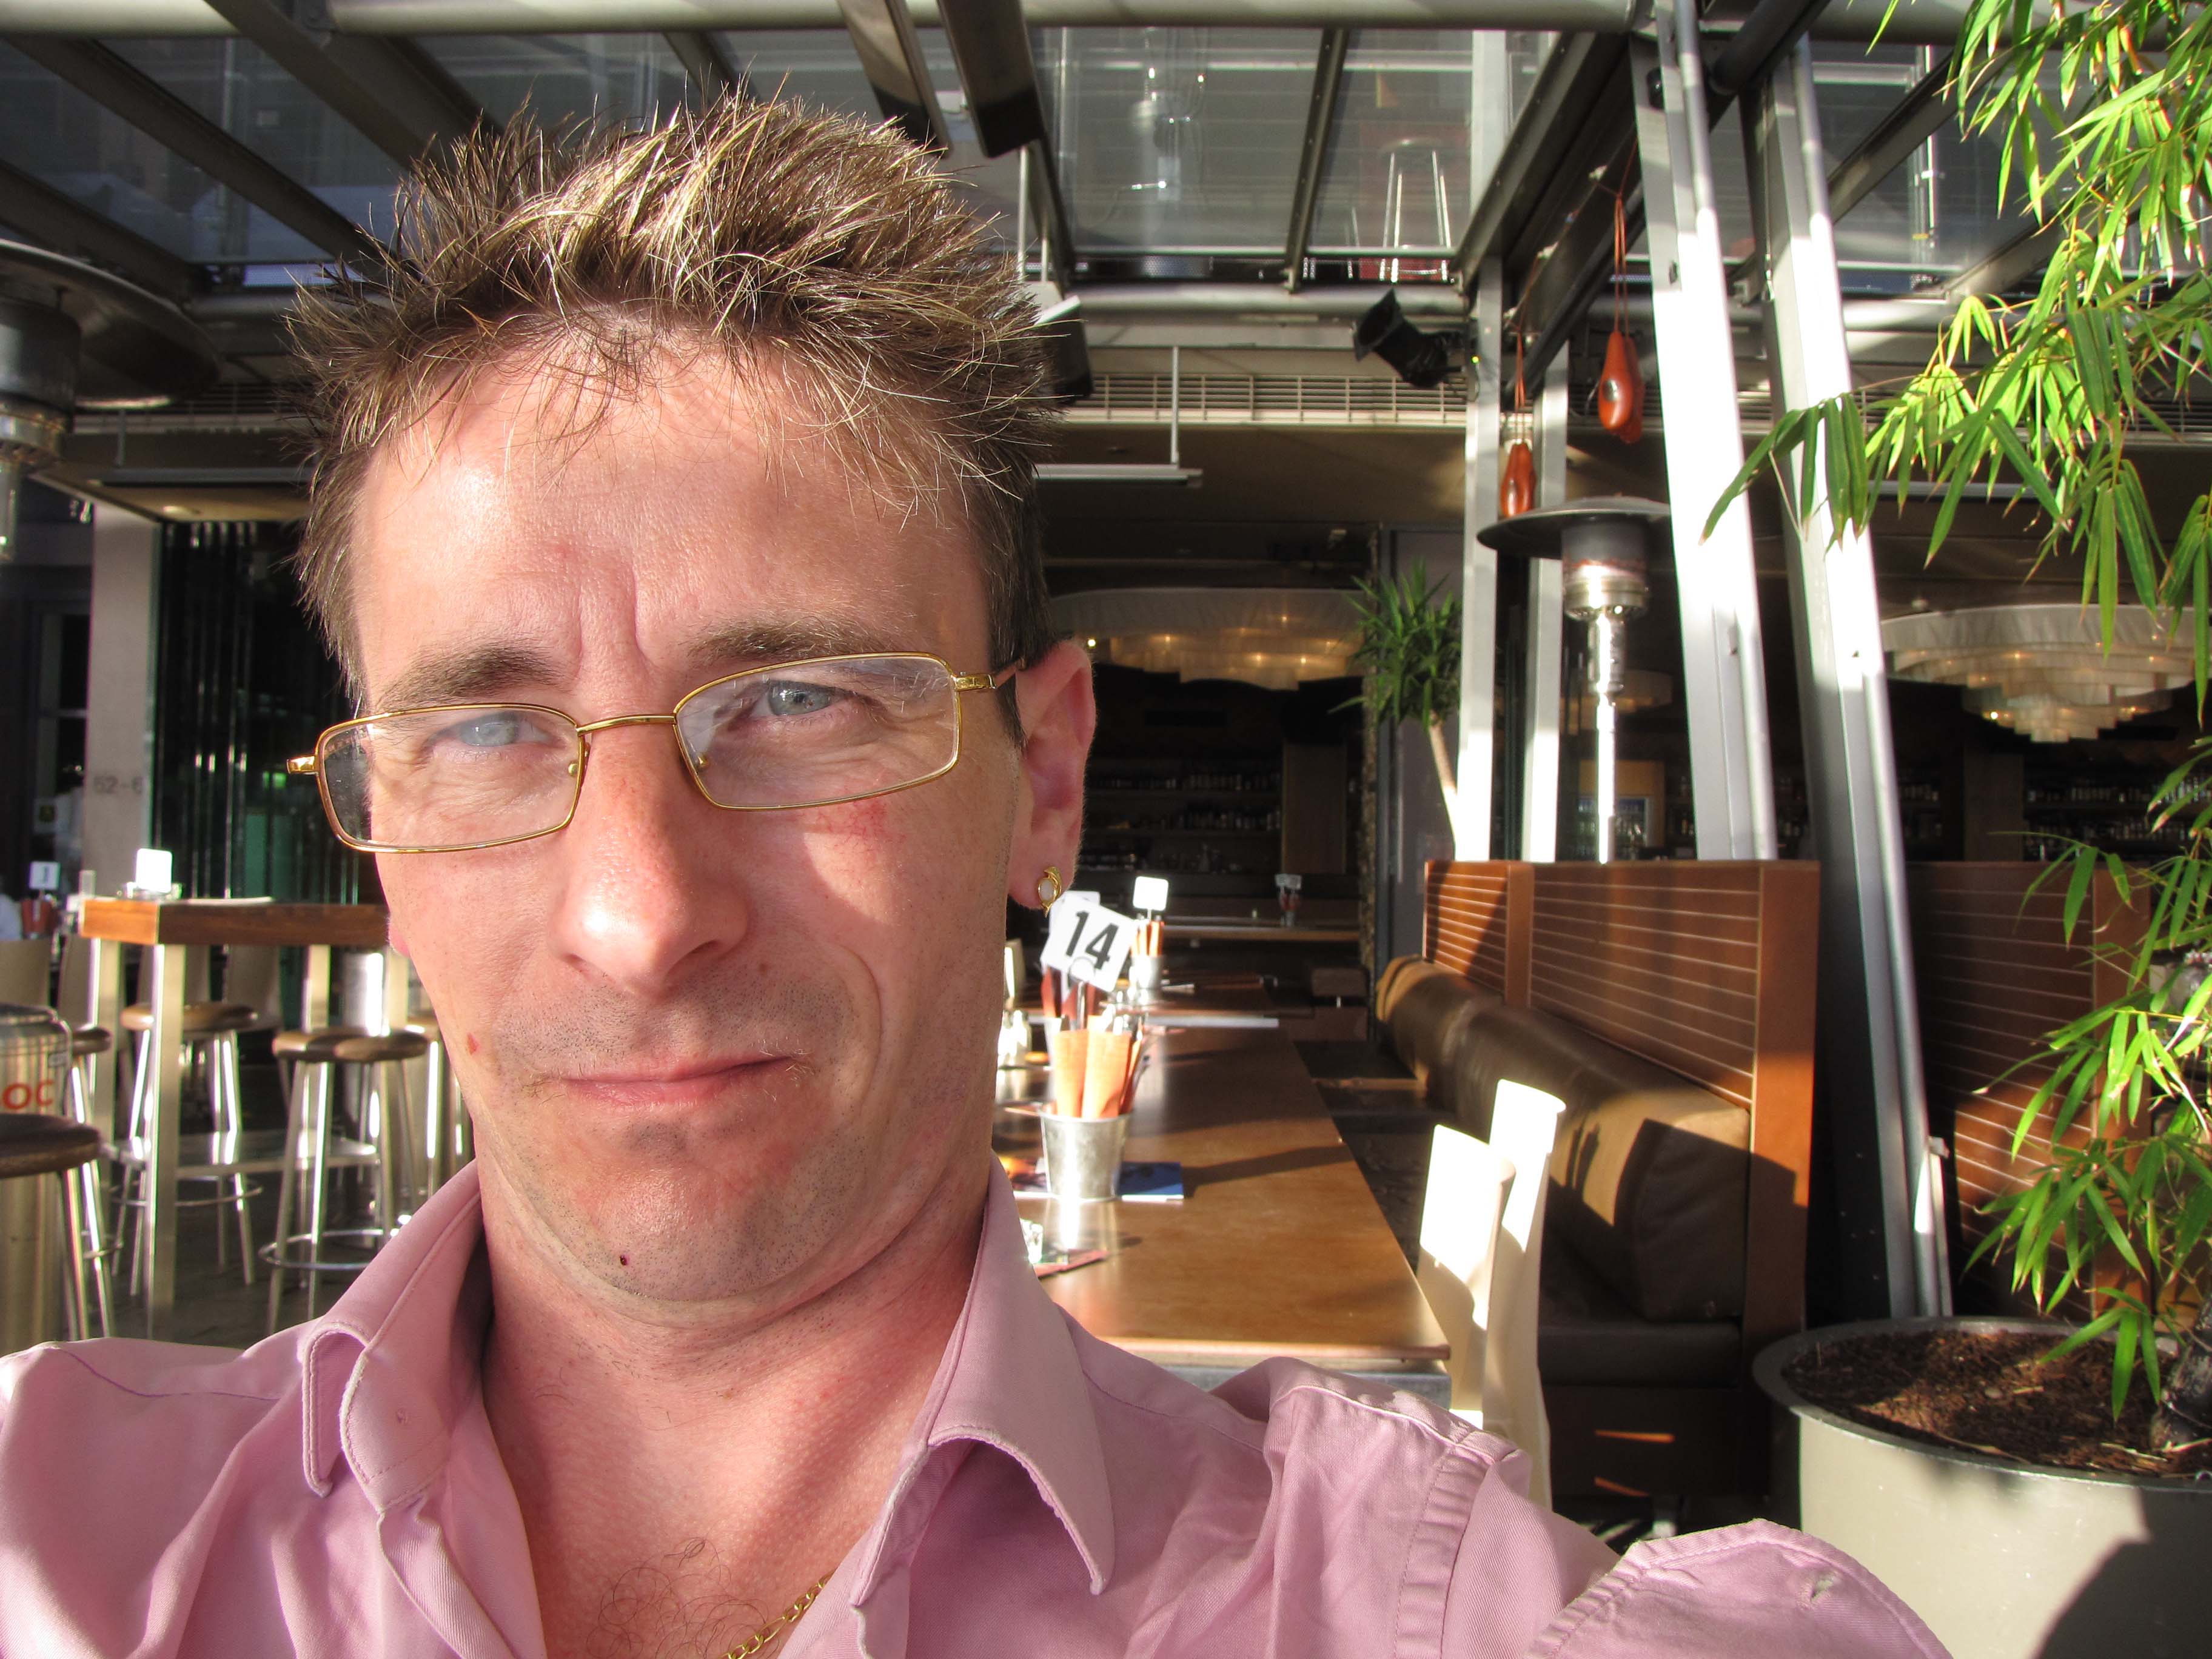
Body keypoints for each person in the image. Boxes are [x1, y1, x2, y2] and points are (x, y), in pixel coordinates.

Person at [0, 102, 1944, 1659]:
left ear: (1047, 783)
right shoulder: (58, 1539)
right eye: (490, 730)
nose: (637, 916)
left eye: (795, 702)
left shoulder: (1407, 1610)